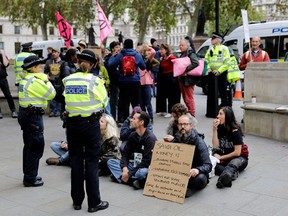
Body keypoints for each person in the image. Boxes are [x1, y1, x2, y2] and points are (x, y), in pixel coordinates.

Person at [62, 49, 109, 212]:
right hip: (90, 125)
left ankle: (76, 201)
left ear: (77, 61)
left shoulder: (67, 80)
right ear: (92, 64)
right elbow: (104, 101)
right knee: (91, 163)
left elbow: (65, 100)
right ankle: (94, 203)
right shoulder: (95, 81)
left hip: (72, 125)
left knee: (75, 162)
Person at [18, 55, 56, 187]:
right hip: (33, 116)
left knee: (28, 146)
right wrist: (45, 80)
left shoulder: (25, 79)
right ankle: (30, 178)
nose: (40, 69)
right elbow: (52, 93)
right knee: (36, 146)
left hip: (26, 114)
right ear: (33, 68)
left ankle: (28, 174)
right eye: (38, 66)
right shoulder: (34, 81)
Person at [164, 114, 212, 197]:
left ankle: (187, 188)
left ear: (191, 126)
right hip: (180, 172)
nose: (182, 126)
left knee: (200, 178)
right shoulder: (177, 138)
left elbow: (208, 165)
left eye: (185, 124)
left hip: (194, 174)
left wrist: (197, 170)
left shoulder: (199, 142)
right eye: (180, 124)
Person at [107, 111, 157, 189]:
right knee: (111, 162)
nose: (131, 120)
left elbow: (146, 161)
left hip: (143, 167)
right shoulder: (132, 135)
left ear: (141, 122)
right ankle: (133, 181)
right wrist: (124, 168)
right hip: (132, 164)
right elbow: (125, 153)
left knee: (142, 172)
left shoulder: (150, 138)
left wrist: (129, 173)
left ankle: (122, 178)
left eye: (134, 119)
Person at [108, 38, 146, 123]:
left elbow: (111, 65)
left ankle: (125, 120)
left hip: (123, 82)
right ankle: (137, 119)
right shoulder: (136, 55)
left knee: (124, 102)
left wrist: (113, 56)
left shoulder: (121, 55)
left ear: (124, 45)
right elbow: (143, 67)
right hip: (135, 82)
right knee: (136, 102)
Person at [212, 106, 248, 188]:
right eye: (218, 113)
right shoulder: (219, 127)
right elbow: (215, 146)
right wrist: (214, 130)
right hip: (225, 157)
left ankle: (222, 180)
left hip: (239, 158)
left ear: (227, 116)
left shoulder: (235, 131)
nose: (217, 116)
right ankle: (232, 174)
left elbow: (237, 152)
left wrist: (221, 157)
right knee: (212, 165)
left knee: (233, 163)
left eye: (220, 114)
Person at [205, 32, 230, 112]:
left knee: (223, 92)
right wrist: (209, 68)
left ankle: (224, 110)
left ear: (218, 40)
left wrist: (219, 71)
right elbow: (206, 60)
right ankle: (212, 110)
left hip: (221, 73)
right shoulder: (210, 49)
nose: (211, 40)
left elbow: (227, 62)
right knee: (211, 93)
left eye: (213, 38)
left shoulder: (224, 48)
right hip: (212, 73)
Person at [156, 43, 181, 118]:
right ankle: (163, 110)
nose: (161, 51)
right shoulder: (163, 58)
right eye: (160, 49)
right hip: (164, 78)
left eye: (162, 49)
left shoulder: (171, 57)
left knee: (171, 95)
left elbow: (177, 65)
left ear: (166, 50)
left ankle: (171, 111)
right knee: (163, 94)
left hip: (171, 78)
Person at [44, 47, 70, 117]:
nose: (53, 54)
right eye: (53, 52)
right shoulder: (48, 62)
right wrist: (47, 75)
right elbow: (46, 71)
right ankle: (53, 110)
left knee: (60, 96)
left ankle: (58, 110)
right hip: (51, 81)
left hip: (60, 82)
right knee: (52, 96)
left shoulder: (63, 63)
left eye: (55, 52)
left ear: (58, 53)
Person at [178, 37, 199, 116]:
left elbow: (196, 63)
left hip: (188, 79)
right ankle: (190, 112)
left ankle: (192, 113)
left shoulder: (191, 53)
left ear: (187, 45)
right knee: (185, 98)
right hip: (183, 79)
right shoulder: (183, 54)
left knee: (188, 98)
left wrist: (186, 70)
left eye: (182, 45)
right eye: (180, 45)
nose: (180, 47)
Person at [104, 41, 121, 121]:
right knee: (113, 102)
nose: (118, 49)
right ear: (112, 49)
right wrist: (112, 57)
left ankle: (120, 118)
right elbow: (108, 67)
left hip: (120, 81)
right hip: (112, 82)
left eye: (119, 47)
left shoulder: (121, 57)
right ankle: (113, 118)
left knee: (120, 101)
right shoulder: (108, 58)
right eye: (116, 47)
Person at [0, 49, 17, 118]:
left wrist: (3, 54)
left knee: (8, 95)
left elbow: (6, 64)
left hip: (2, 78)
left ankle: (13, 110)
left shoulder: (1, 55)